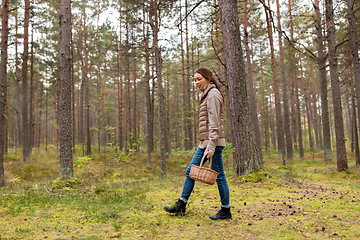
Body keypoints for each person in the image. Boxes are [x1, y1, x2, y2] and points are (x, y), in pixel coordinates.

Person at [163, 68, 231, 220]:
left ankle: (225, 211)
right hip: (206, 142)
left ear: (208, 79)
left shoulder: (212, 95)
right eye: (194, 80)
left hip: (211, 142)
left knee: (218, 176)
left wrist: (212, 145)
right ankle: (181, 205)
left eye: (199, 79)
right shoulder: (207, 95)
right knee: (191, 171)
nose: (196, 82)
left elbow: (214, 123)